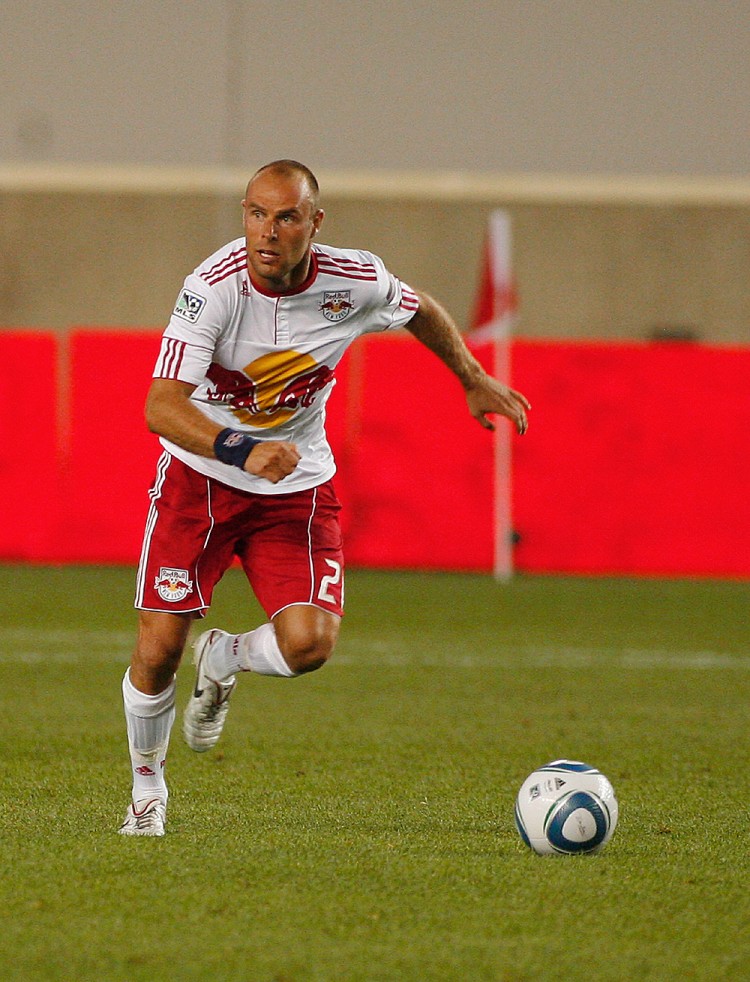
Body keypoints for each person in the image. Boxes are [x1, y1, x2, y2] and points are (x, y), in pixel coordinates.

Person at [118, 159, 531, 835]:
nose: (267, 232)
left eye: (284, 217)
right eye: (255, 213)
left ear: (315, 222)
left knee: (309, 645)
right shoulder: (211, 289)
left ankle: (226, 656)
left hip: (297, 486)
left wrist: (473, 376)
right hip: (201, 481)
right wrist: (240, 448)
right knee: (159, 649)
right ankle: (146, 790)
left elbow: (419, 308)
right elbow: (161, 406)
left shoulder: (355, 279)